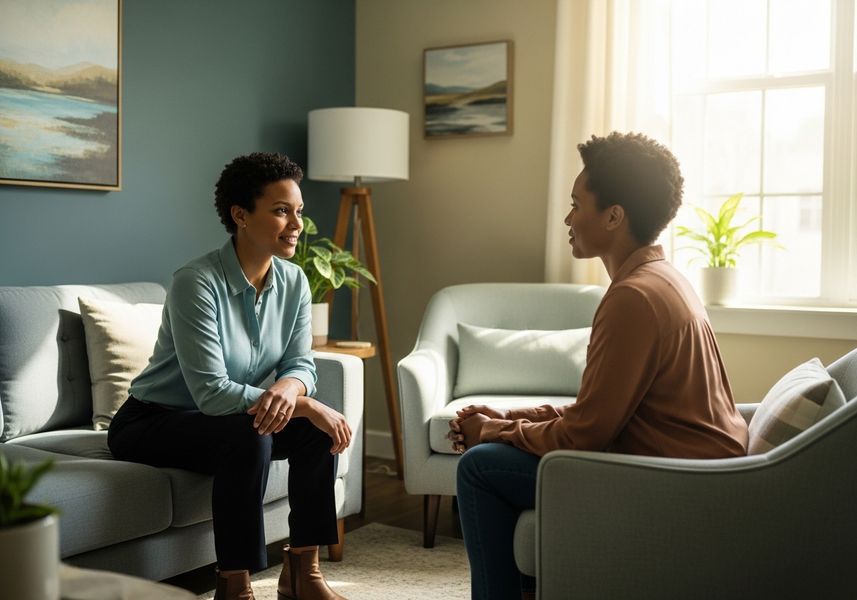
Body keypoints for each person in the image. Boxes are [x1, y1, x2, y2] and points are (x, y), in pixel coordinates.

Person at [448, 132, 749, 600]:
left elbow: (584, 435)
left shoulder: (633, 298)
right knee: (495, 455)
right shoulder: (663, 279)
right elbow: (599, 412)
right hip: (689, 468)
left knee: (480, 468)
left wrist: (491, 432)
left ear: (613, 216)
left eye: (576, 205)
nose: (568, 219)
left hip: (677, 485)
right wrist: (508, 417)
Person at [108, 152, 350, 600]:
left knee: (316, 432)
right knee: (252, 434)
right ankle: (235, 587)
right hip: (153, 421)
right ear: (240, 215)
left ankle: (303, 575)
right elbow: (212, 394)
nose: (296, 224)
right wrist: (304, 403)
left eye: (298, 211)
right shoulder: (196, 282)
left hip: (231, 418)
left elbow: (301, 364)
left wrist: (289, 388)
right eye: (281, 211)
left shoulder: (294, 281)